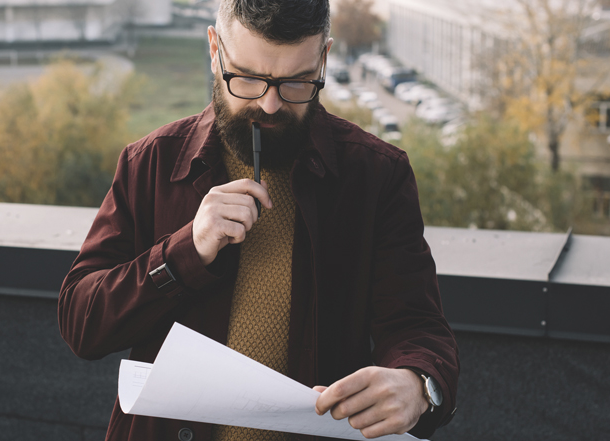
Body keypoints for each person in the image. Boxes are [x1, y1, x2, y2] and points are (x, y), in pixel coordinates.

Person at [58, 1, 459, 440]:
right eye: (247, 78)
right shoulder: (149, 162)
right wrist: (186, 250)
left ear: (323, 59)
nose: (269, 105)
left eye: (296, 82)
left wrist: (418, 384)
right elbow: (83, 323)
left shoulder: (377, 173)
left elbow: (416, 325)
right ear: (215, 50)